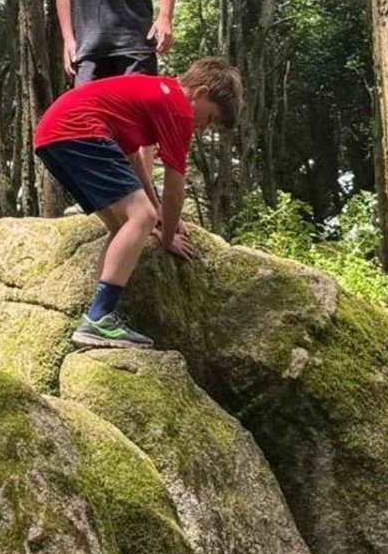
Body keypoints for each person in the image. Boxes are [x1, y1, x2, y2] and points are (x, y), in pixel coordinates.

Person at [33, 57, 242, 349]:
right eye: (209, 119)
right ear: (201, 93)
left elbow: (133, 160)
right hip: (79, 130)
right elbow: (175, 191)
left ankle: (98, 313)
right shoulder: (178, 109)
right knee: (140, 217)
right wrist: (167, 236)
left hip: (53, 136)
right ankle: (99, 317)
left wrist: (156, 210)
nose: (203, 129)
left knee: (125, 225)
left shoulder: (152, 95)